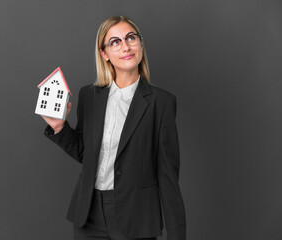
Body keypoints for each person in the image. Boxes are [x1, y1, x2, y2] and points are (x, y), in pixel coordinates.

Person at [40, 15, 186, 240]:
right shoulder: (89, 96)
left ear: (141, 44)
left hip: (136, 218)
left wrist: (177, 236)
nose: (126, 46)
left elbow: (168, 176)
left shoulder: (162, 103)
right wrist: (59, 128)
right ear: (104, 54)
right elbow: (87, 154)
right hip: (89, 215)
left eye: (130, 38)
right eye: (115, 42)